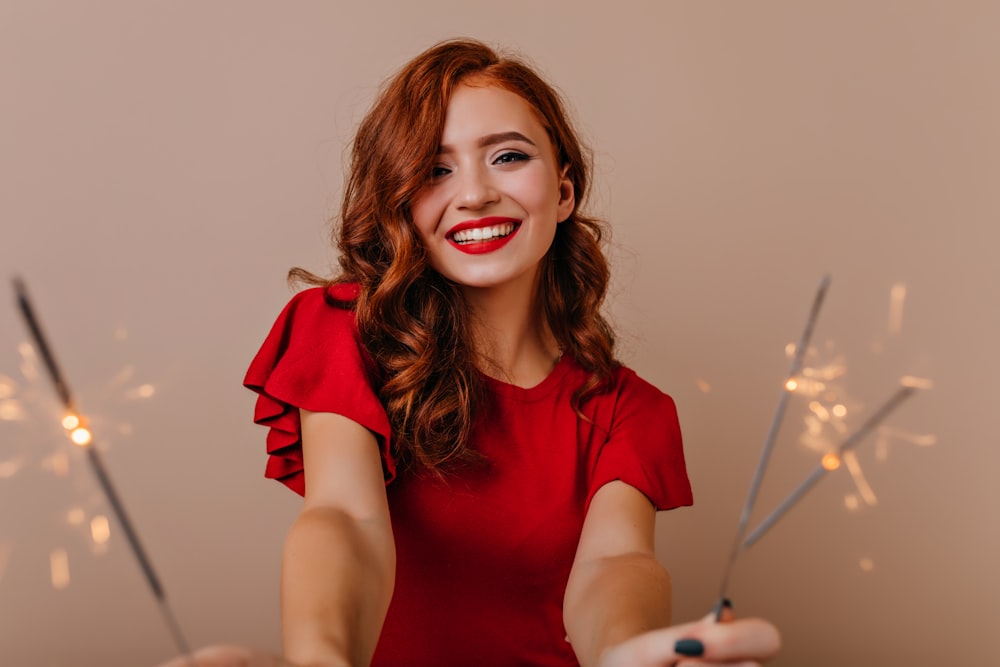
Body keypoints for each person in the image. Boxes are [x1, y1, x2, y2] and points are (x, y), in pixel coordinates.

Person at [160, 39, 780, 667]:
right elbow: (346, 518)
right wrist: (320, 659)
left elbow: (616, 564)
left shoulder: (630, 410)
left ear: (563, 192)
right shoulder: (345, 331)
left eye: (508, 156)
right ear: (401, 202)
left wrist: (631, 654)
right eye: (435, 169)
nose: (475, 193)